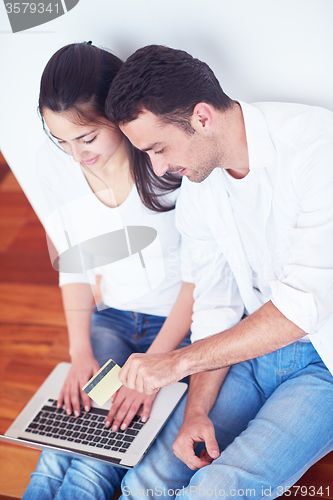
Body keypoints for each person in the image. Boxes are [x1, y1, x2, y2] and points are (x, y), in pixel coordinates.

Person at [104, 44, 333, 498]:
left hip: (324, 362)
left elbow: (304, 307)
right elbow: (214, 302)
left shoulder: (317, 148)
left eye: (158, 148)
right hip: (245, 349)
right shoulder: (200, 188)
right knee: (147, 480)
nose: (159, 167)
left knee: (217, 489)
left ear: (202, 118)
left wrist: (175, 363)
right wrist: (196, 410)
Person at [22, 42, 193, 500]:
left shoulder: (166, 164)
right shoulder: (52, 167)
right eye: (61, 140)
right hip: (114, 319)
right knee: (60, 443)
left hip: (182, 332)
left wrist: (155, 368)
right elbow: (73, 263)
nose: (75, 155)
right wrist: (80, 353)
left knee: (94, 464)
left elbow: (204, 280)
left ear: (117, 116)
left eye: (87, 138)